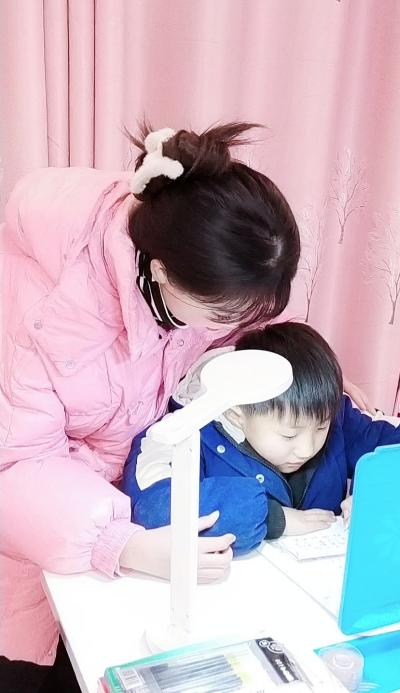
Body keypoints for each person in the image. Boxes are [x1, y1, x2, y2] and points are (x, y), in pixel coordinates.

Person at [0, 122, 303, 688]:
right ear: (160, 274)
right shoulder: (47, 310)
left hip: (130, 513)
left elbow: (238, 331)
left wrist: (310, 376)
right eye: (223, 314)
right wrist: (122, 543)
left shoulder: (186, 262)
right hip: (38, 543)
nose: (234, 326)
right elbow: (14, 464)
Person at [122, 322, 400, 554]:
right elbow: (155, 507)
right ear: (237, 413)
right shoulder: (182, 433)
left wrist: (379, 490)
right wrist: (272, 518)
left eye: (321, 428)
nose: (306, 448)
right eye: (289, 434)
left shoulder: (330, 412)